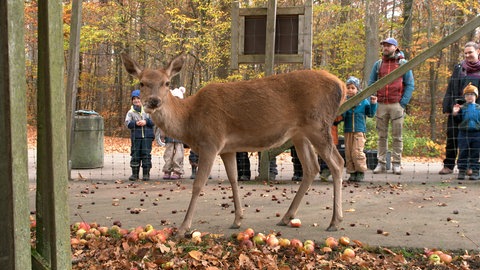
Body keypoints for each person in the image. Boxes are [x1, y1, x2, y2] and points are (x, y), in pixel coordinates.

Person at [368, 37, 415, 175]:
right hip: (381, 104)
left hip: (396, 104)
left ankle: (396, 163)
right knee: (381, 136)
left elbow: (410, 84)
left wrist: (403, 103)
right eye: (384, 46)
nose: (385, 48)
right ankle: (381, 163)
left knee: (397, 136)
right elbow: (371, 82)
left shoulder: (403, 64)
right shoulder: (378, 64)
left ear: (395, 47)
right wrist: (374, 97)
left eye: (389, 45)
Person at [439, 42, 480, 175]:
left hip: (475, 111)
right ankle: (449, 165)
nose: (468, 55)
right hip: (457, 109)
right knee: (452, 136)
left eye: (470, 52)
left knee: (472, 139)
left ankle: (469, 167)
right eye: (466, 53)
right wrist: (448, 107)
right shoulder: (459, 68)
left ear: (478, 51)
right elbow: (451, 87)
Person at [341, 76, 378, 181]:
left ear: (357, 89)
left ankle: (360, 171)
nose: (350, 90)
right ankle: (352, 172)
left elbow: (370, 114)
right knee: (348, 153)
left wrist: (373, 104)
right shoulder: (344, 102)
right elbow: (342, 116)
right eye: (348, 88)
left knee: (357, 152)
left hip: (359, 131)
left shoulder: (363, 102)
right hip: (348, 131)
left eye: (353, 88)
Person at [452, 83, 480, 180]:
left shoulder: (479, 108)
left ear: (476, 96)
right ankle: (462, 171)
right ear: (464, 97)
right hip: (464, 133)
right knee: (463, 152)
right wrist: (455, 113)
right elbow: (457, 121)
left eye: (472, 94)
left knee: (475, 153)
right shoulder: (462, 108)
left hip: (477, 133)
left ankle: (475, 171)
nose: (469, 97)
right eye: (467, 95)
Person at [125, 89, 155, 181]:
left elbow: (154, 121)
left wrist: (146, 121)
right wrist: (135, 123)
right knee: (135, 154)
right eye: (134, 99)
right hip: (136, 137)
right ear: (132, 100)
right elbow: (127, 123)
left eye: (138, 98)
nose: (136, 100)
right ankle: (135, 174)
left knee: (146, 154)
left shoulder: (148, 110)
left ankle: (146, 174)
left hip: (147, 136)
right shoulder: (131, 112)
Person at [159, 87, 186, 180]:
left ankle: (177, 171)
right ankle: (167, 170)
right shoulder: (167, 111)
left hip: (180, 137)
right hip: (169, 136)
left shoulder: (184, 111)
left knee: (179, 154)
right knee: (168, 154)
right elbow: (163, 123)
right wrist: (162, 133)